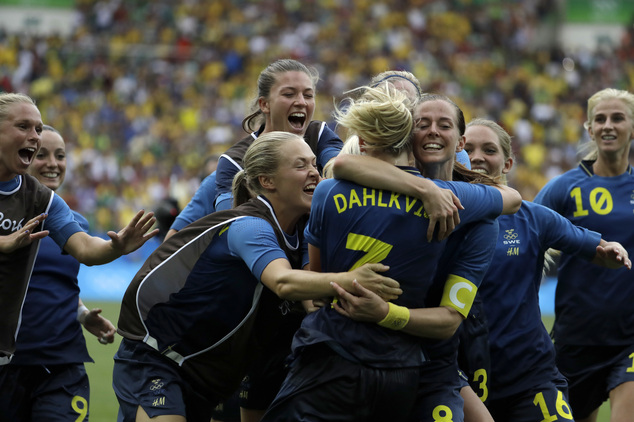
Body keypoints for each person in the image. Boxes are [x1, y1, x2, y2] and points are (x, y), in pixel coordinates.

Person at [261, 86, 515, 422]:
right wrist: (425, 188)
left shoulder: (327, 190)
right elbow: (512, 199)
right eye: (424, 124)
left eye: (444, 125)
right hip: (401, 366)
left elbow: (319, 280)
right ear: (410, 141)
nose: (433, 133)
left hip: (338, 352)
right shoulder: (461, 199)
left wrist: (372, 307)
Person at [112, 131, 402, 422]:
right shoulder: (250, 226)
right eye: (301, 166)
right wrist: (355, 279)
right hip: (157, 359)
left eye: (314, 164)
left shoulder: (300, 234)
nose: (314, 173)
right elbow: (284, 283)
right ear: (268, 181)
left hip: (201, 377)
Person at [459, 118, 631, 421]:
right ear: (457, 153)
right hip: (461, 378)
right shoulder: (437, 215)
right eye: (469, 148)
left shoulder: (533, 218)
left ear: (508, 162)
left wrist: (609, 250)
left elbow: (588, 243)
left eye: (489, 150)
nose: (477, 157)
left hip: (531, 377)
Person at [0, 92, 158, 366]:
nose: (35, 136)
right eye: (23, 126)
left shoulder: (42, 199)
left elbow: (85, 248)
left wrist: (115, 247)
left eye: (38, 128)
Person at [0, 124, 119, 421]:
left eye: (61, 155)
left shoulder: (74, 223)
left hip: (62, 361)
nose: (53, 163)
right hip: (9, 363)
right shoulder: (6, 214)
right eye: (42, 155)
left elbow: (56, 282)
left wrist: (81, 314)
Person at [534, 88, 634, 422]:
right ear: (589, 129)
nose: (608, 125)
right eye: (600, 119)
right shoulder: (563, 188)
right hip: (576, 338)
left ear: (632, 127)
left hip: (629, 336)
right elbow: (527, 235)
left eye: (618, 118)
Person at [164, 59, 343, 241]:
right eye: (289, 94)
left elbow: (340, 169)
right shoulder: (235, 162)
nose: (301, 102)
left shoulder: (318, 135)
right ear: (264, 104)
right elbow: (228, 228)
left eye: (308, 95)